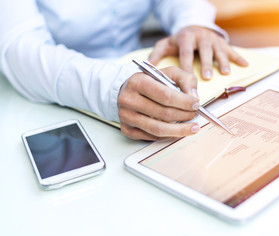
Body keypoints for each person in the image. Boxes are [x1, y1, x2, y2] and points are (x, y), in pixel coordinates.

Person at [0, 0, 247, 141]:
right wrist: (111, 88)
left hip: (143, 74)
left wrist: (192, 22)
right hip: (47, 102)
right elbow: (19, 49)